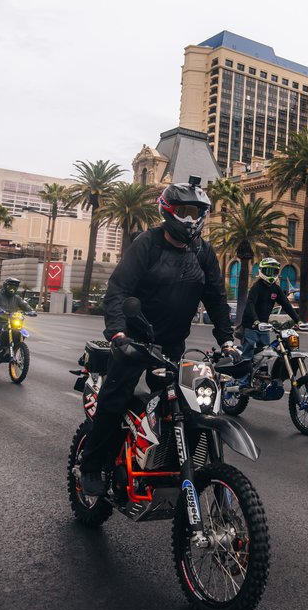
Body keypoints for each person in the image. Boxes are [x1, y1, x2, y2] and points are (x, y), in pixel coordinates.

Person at [78, 178, 235, 496]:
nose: (191, 219)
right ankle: (92, 466)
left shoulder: (203, 252)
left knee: (190, 408)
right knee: (115, 399)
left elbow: (216, 298)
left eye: (197, 212)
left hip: (174, 344)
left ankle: (175, 466)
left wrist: (228, 341)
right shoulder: (147, 244)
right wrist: (118, 334)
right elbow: (118, 290)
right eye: (184, 211)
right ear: (168, 210)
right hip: (135, 341)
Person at [237, 257, 298, 360]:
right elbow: (250, 304)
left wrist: (298, 320)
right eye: (268, 271)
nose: (271, 274)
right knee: (248, 354)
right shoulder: (256, 287)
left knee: (266, 355)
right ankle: (243, 376)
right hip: (250, 327)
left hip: (265, 327)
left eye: (274, 271)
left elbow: (286, 304)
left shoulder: (276, 289)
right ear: (261, 271)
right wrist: (256, 321)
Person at [0, 277, 35, 355]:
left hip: (12, 321)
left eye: (14, 287)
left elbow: (25, 305)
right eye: (10, 287)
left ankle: (14, 350)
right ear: (5, 286)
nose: (12, 289)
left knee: (20, 333)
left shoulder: (17, 298)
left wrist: (31, 311)